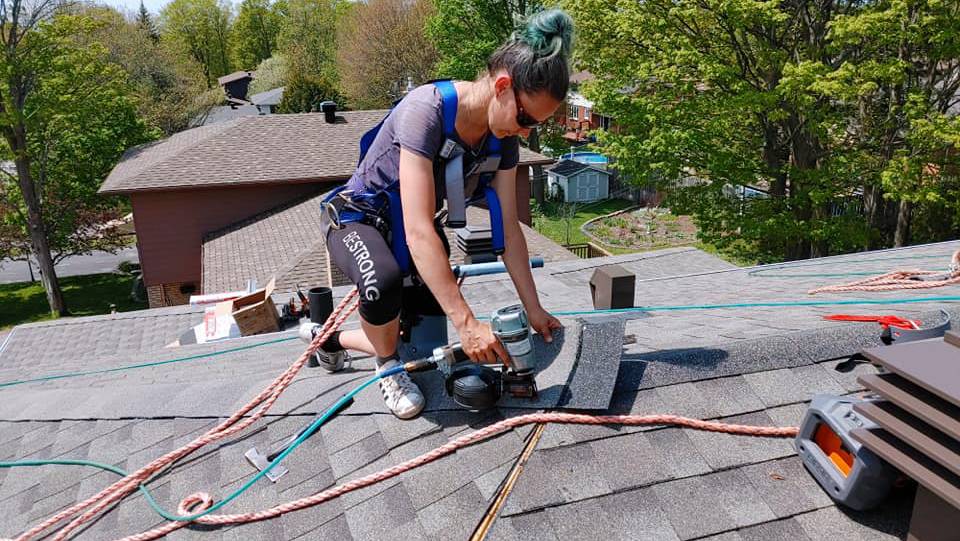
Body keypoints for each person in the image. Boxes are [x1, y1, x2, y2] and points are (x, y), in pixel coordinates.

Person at [301, 9, 574, 419]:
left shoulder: (502, 142)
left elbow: (510, 232)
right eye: (525, 118)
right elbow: (416, 228)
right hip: (357, 219)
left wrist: (533, 309)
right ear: (502, 86)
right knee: (383, 284)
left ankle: (330, 341)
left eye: (535, 126)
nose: (525, 132)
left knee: (421, 344)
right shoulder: (425, 112)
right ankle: (386, 369)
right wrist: (466, 322)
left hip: (413, 229)